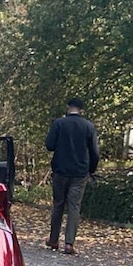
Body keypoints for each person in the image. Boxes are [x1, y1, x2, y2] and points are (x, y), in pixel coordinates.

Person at [44, 97, 100, 254]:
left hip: (60, 170)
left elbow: (49, 145)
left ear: (68, 107)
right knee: (74, 206)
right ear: (81, 109)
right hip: (80, 172)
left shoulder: (59, 124)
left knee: (58, 204)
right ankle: (69, 243)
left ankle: (53, 239)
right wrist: (91, 169)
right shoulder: (88, 126)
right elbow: (95, 152)